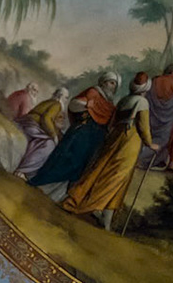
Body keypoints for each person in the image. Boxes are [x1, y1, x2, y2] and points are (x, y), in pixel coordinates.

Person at [62, 73, 156, 224]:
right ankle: (89, 206)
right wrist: (150, 144)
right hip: (129, 142)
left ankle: (99, 214)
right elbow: (143, 128)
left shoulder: (124, 100)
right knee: (116, 178)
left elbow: (112, 123)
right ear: (146, 88)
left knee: (100, 169)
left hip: (114, 137)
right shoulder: (142, 102)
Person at [29, 74, 118, 188]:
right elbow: (74, 104)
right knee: (65, 159)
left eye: (115, 84)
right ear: (103, 82)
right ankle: (40, 181)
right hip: (82, 133)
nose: (113, 87)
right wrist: (88, 106)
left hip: (94, 138)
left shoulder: (110, 103)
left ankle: (61, 192)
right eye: (111, 83)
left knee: (81, 165)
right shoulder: (93, 92)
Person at [13, 86, 68, 179]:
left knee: (43, 141)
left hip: (27, 122)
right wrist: (53, 135)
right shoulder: (57, 105)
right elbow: (46, 119)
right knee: (49, 144)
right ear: (61, 96)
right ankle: (23, 170)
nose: (66, 100)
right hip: (32, 125)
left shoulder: (49, 101)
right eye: (66, 98)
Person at [142, 64, 173, 168]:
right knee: (165, 139)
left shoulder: (155, 80)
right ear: (172, 71)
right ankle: (143, 159)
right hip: (167, 117)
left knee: (152, 137)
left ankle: (157, 161)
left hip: (153, 116)